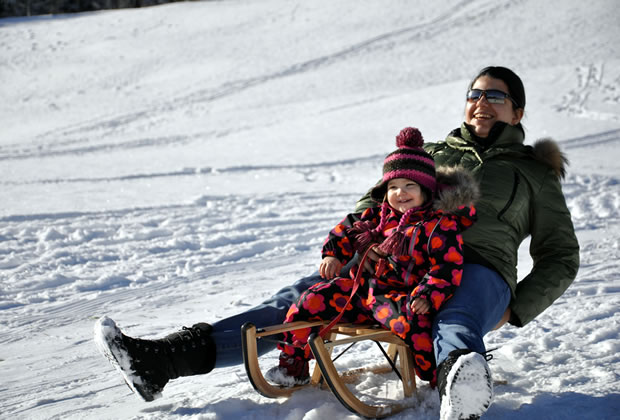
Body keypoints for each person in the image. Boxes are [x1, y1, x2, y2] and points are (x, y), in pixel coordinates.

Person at [95, 66, 579, 420]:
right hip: (396, 258)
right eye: (475, 93)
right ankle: (163, 361)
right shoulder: (428, 154)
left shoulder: (533, 173)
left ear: (517, 110)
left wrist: (515, 309)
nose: (482, 101)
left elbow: (560, 255)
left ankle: (462, 388)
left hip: (477, 268)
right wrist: (344, 249)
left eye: (496, 95)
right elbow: (373, 204)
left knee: (455, 314)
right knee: (293, 304)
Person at [262, 127, 478, 388]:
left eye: (410, 185)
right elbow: (344, 231)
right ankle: (292, 366)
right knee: (311, 300)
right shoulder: (375, 217)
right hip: (360, 292)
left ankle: (442, 380)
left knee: (416, 323)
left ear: (427, 190)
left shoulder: (438, 226)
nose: (401, 192)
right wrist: (333, 256)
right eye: (394, 186)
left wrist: (427, 294)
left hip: (400, 298)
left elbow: (446, 266)